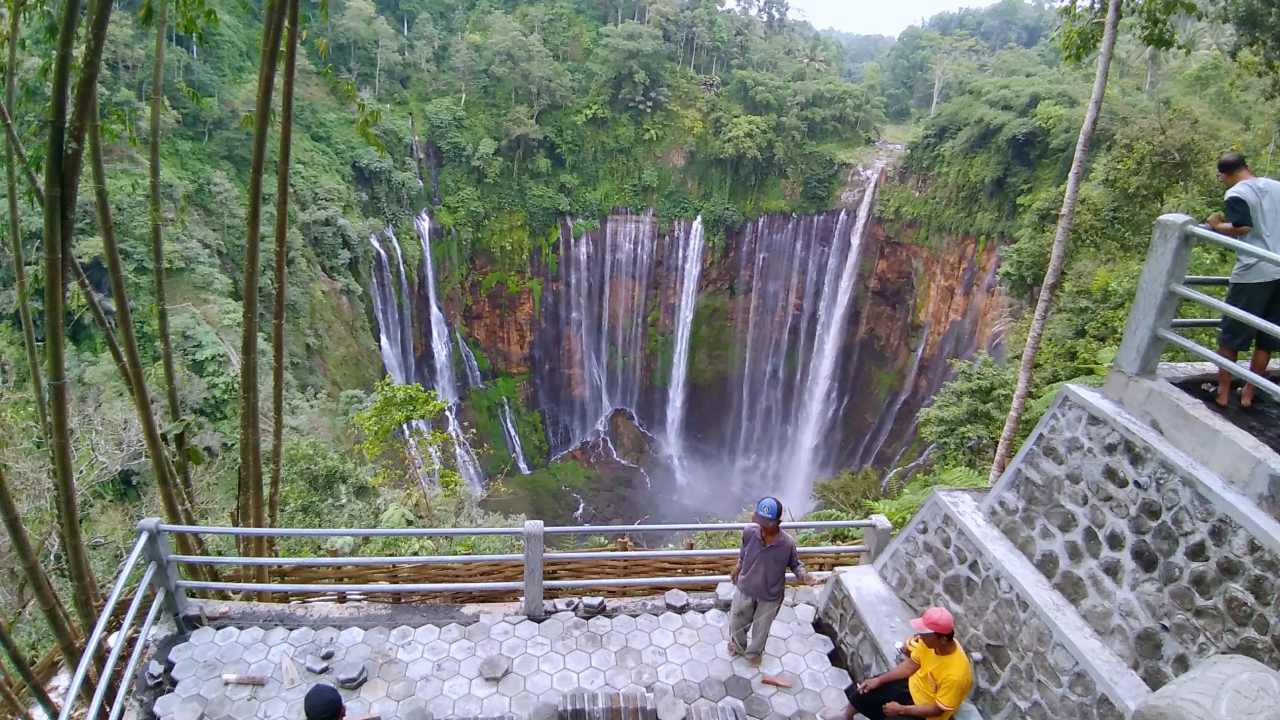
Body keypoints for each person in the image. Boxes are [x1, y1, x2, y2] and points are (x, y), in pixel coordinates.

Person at [1205, 152, 1280, 409]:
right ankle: (1248, 393)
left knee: (1231, 335)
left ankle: (1223, 392)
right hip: (1279, 270)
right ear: (1248, 167)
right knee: (1267, 337)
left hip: (1253, 272)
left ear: (1224, 175)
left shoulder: (1237, 193)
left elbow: (1242, 226)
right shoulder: (1275, 187)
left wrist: (1216, 225)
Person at [728, 496, 817, 666]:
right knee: (737, 621)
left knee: (761, 630)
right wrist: (737, 569)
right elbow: (743, 554)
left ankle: (754, 654)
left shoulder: (787, 543)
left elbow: (796, 565)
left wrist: (806, 576)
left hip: (770, 596)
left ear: (778, 522)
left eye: (767, 522)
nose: (763, 526)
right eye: (760, 520)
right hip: (745, 587)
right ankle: (738, 647)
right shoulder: (749, 532)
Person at [845, 607, 973, 720]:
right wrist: (879, 680)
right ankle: (846, 717)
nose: (919, 637)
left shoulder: (957, 676)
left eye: (925, 635)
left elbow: (937, 709)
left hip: (926, 709)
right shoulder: (930, 643)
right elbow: (910, 665)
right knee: (867, 689)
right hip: (911, 685)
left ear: (943, 639)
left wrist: (901, 709)